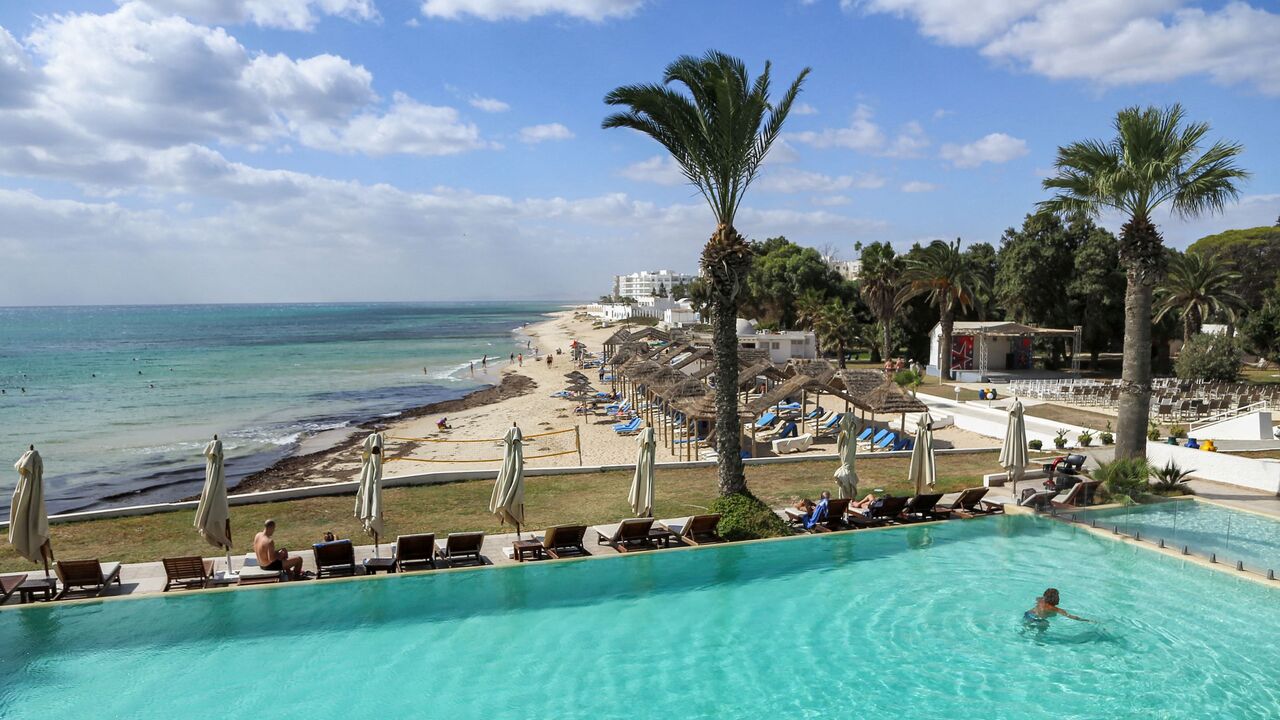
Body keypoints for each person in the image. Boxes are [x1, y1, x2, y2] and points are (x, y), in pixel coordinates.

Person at [1024, 588, 1089, 625]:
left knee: (1026, 628)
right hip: (1039, 620)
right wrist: (1086, 620)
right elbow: (1071, 616)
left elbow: (1037, 598)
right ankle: (1038, 639)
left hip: (1028, 614)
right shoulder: (1054, 609)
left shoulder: (1040, 600)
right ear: (1056, 598)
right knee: (1045, 625)